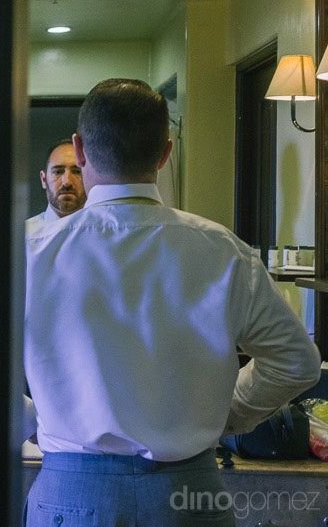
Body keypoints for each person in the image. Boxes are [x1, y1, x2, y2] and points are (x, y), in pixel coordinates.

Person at [23, 78, 320, 526]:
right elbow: (297, 363)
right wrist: (228, 415)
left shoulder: (30, 252)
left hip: (72, 496)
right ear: (165, 153)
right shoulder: (223, 250)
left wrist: (36, 418)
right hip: (188, 495)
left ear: (80, 151)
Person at [26, 138, 87, 235]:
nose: (67, 182)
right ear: (43, 179)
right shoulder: (23, 236)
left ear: (88, 178)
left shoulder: (106, 233)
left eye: (76, 172)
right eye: (58, 172)